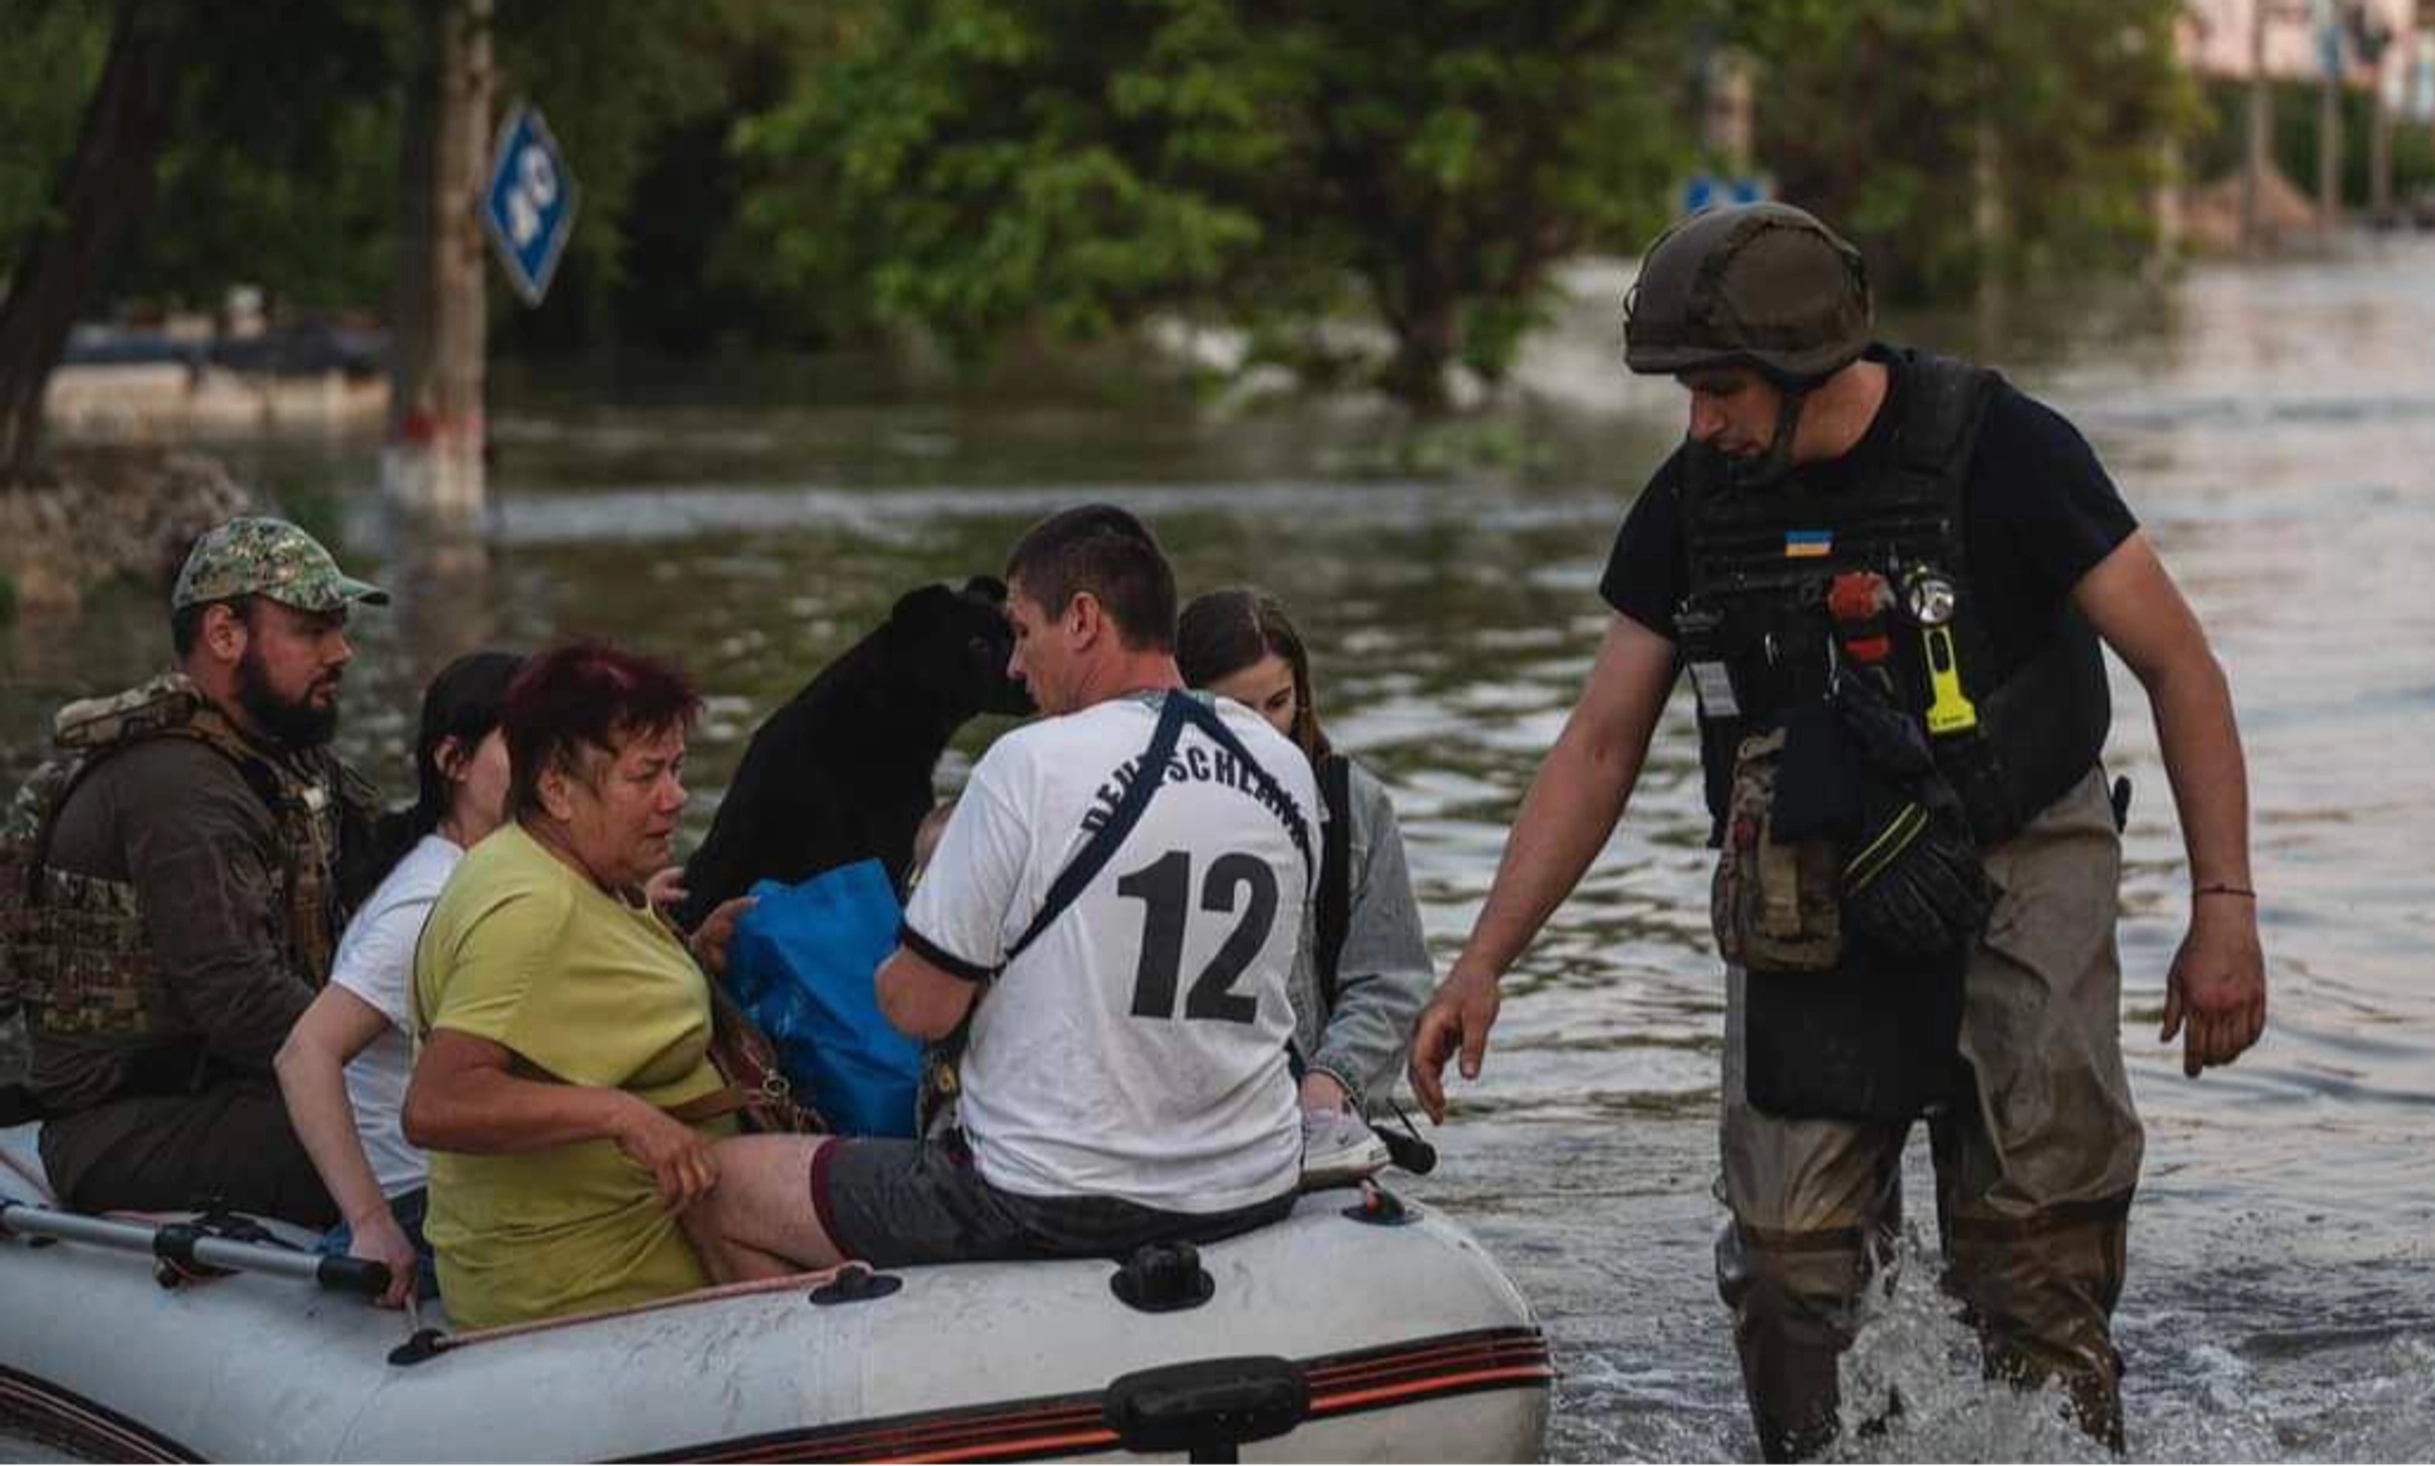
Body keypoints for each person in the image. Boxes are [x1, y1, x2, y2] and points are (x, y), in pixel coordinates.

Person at [1406, 202, 2267, 1461]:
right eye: (1684, 391)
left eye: (1720, 388)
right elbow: (1599, 742)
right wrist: (1483, 959)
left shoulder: (2005, 449)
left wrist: (2224, 909)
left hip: (2019, 851)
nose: (1698, 421)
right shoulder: (1696, 498)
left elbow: (2180, 665)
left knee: (2034, 1248)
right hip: (1803, 882)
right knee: (1788, 1268)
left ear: (1811, 367)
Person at [685, 506, 1317, 1277]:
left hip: (1046, 1193)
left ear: (1082, 620)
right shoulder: (1281, 767)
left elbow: (918, 1009)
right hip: (1251, 1176)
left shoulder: (1030, 763)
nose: (1015, 667)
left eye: (1021, 631)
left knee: (720, 1187)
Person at [13, 516, 388, 1227]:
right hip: (125, 1127)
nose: (343, 651)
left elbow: (392, 853)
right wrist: (402, 1062)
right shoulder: (179, 788)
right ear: (224, 635)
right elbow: (239, 1000)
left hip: (233, 1090)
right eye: (313, 628)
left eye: (340, 627)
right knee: (396, 1134)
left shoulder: (278, 756)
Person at [401, 641, 749, 1330]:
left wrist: (697, 960)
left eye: (677, 769)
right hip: (587, 1282)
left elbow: (574, 1008)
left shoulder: (566, 864)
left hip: (643, 1231)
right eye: (646, 775)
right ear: (557, 789)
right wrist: (623, 1116)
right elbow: (437, 1104)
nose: (676, 798)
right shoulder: (531, 909)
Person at [273, 650, 522, 1306]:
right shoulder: (428, 904)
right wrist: (372, 1224)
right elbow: (305, 1053)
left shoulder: (502, 877)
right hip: (421, 1201)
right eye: (527, 743)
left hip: (477, 1180)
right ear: (454, 761)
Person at [1176, 586, 1432, 1185]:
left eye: (1279, 703)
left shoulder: (1355, 807)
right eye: (1239, 711)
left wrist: (1331, 1081)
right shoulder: (1145, 809)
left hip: (1310, 1114)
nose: (1265, 730)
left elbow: (1391, 980)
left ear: (1304, 698)